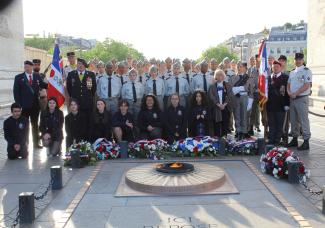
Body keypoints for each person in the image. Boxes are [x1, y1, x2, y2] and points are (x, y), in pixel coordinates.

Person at [13, 60, 48, 148]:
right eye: (25, 67)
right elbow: (16, 93)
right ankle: (25, 144)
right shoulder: (19, 77)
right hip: (24, 107)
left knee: (35, 125)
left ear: (32, 67)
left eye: (28, 67)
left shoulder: (37, 76)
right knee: (24, 126)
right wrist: (18, 106)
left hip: (35, 106)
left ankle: (36, 143)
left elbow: (43, 85)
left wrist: (54, 83)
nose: (26, 68)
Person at [287, 53, 312, 150]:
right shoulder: (292, 72)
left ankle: (306, 141)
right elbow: (288, 84)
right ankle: (294, 139)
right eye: (296, 59)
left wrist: (296, 93)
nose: (297, 61)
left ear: (302, 60)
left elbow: (307, 85)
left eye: (299, 59)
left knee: (303, 120)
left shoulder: (306, 71)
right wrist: (289, 92)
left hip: (301, 98)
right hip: (292, 99)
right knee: (293, 120)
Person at [266, 61, 290, 145]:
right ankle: (271, 139)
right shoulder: (268, 78)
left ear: (280, 68)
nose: (275, 68)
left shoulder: (285, 78)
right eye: (274, 67)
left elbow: (287, 92)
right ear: (272, 68)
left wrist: (287, 104)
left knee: (279, 124)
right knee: (271, 124)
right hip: (270, 105)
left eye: (277, 67)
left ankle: (277, 140)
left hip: (281, 105)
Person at [230, 62, 254, 140]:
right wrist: (238, 89)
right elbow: (231, 90)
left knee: (244, 115)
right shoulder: (233, 78)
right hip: (236, 98)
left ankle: (244, 131)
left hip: (245, 97)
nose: (239, 68)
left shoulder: (249, 78)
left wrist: (250, 102)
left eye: (241, 66)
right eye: (238, 66)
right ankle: (238, 131)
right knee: (237, 115)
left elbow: (251, 91)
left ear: (245, 68)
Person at [208, 70, 231, 137]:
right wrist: (218, 104)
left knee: (225, 124)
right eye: (217, 75)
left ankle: (224, 140)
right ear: (215, 77)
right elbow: (211, 96)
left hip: (225, 107)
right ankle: (217, 139)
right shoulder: (212, 86)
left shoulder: (227, 85)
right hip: (216, 108)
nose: (219, 76)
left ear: (223, 76)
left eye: (221, 75)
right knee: (216, 125)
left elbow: (230, 95)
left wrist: (224, 105)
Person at [247, 56, 260, 135]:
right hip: (253, 93)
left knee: (264, 114)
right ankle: (251, 127)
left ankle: (266, 129)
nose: (257, 62)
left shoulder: (265, 69)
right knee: (252, 111)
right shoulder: (250, 70)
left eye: (258, 60)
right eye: (256, 60)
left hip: (262, 94)